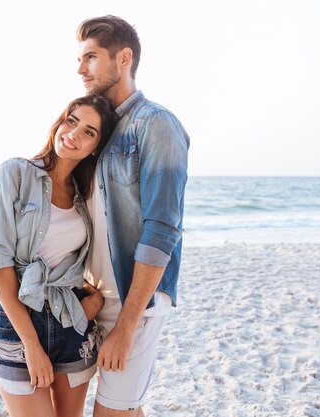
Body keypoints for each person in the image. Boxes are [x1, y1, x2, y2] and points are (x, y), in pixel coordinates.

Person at [76, 15, 190, 416]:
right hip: (96, 295)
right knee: (123, 408)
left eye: (90, 57)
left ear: (123, 58)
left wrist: (126, 325)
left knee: (110, 411)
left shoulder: (156, 124)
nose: (80, 69)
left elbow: (163, 229)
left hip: (134, 298)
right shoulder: (100, 130)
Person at [0, 94, 116, 417]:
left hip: (71, 322)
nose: (73, 134)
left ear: (95, 147)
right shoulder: (15, 173)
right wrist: (31, 342)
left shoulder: (86, 197)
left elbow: (86, 259)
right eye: (72, 121)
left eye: (88, 132)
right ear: (59, 122)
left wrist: (95, 301)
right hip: (17, 324)